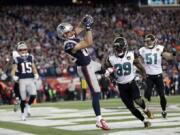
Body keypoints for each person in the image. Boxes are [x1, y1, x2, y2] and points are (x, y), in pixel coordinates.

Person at [56, 15, 111, 130]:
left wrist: (84, 20)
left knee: (104, 70)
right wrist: (89, 27)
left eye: (71, 30)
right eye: (69, 32)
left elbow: (79, 27)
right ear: (64, 35)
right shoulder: (68, 44)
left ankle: (110, 77)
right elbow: (88, 42)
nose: (72, 32)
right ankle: (99, 120)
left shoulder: (71, 36)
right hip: (85, 67)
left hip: (90, 63)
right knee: (96, 92)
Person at [106, 37, 153, 128]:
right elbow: (107, 70)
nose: (117, 50)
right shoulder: (111, 58)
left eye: (119, 48)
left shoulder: (131, 55)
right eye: (116, 48)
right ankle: (145, 121)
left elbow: (139, 65)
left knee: (138, 100)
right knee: (131, 108)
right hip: (121, 86)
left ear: (124, 47)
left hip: (131, 82)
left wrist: (144, 74)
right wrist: (112, 78)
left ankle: (146, 109)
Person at [139, 34, 176, 119]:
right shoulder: (142, 50)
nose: (148, 42)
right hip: (148, 76)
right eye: (146, 41)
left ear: (153, 40)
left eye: (149, 40)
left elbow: (169, 57)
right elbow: (139, 61)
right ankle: (148, 103)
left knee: (162, 95)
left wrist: (173, 54)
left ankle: (164, 110)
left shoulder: (160, 48)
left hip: (158, 75)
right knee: (146, 94)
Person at [11, 41, 39, 121]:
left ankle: (28, 105)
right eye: (21, 50)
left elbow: (33, 67)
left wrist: (36, 74)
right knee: (22, 97)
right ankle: (22, 113)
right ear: (18, 50)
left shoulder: (30, 57)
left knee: (33, 95)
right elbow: (13, 70)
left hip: (29, 78)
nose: (23, 51)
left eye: (25, 49)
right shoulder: (16, 58)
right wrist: (14, 77)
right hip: (21, 79)